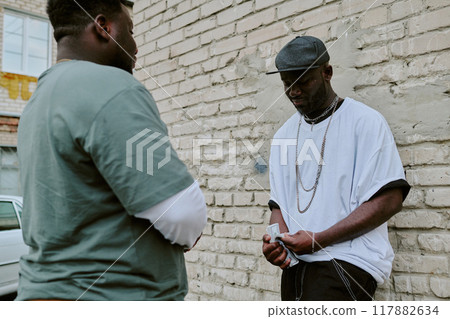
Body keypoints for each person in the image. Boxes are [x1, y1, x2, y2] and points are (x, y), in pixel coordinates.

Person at [16, 0, 207, 301]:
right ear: (104, 28)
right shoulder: (112, 86)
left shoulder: (38, 102)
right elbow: (183, 213)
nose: (136, 46)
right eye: (131, 31)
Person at [262, 36, 410, 301]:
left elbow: (390, 199)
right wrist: (277, 242)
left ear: (327, 72)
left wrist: (320, 238)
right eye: (287, 83)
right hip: (296, 268)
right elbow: (278, 206)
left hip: (347, 265)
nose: (293, 91)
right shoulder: (283, 135)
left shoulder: (364, 122)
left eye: (303, 81)